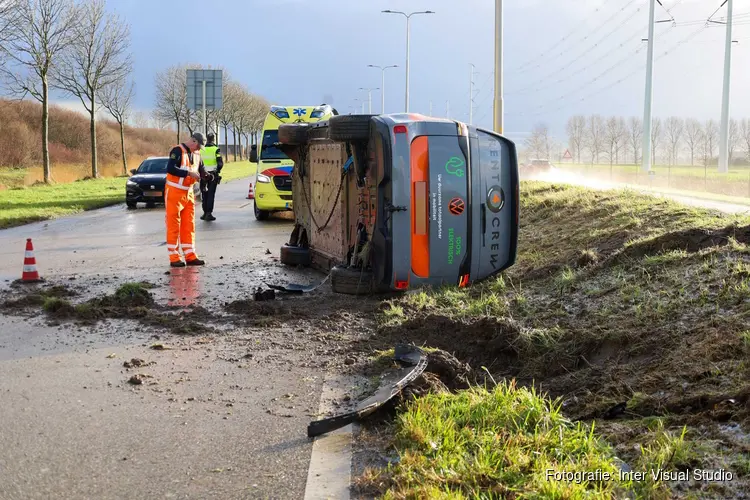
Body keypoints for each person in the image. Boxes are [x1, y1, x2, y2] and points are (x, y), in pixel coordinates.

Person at [164, 132, 214, 267]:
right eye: (198, 146)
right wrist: (188, 173)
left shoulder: (197, 154)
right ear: (193, 141)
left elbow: (201, 169)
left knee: (188, 225)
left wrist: (207, 175)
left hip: (188, 193)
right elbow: (170, 169)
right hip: (174, 192)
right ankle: (174, 257)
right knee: (173, 225)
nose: (199, 149)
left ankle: (190, 255)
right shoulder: (177, 151)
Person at [200, 132, 223, 221]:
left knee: (204, 194)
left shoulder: (201, 150)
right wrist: (218, 170)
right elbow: (220, 163)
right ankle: (209, 213)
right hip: (212, 175)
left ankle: (204, 212)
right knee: (210, 194)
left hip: (203, 175)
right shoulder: (216, 149)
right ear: (213, 139)